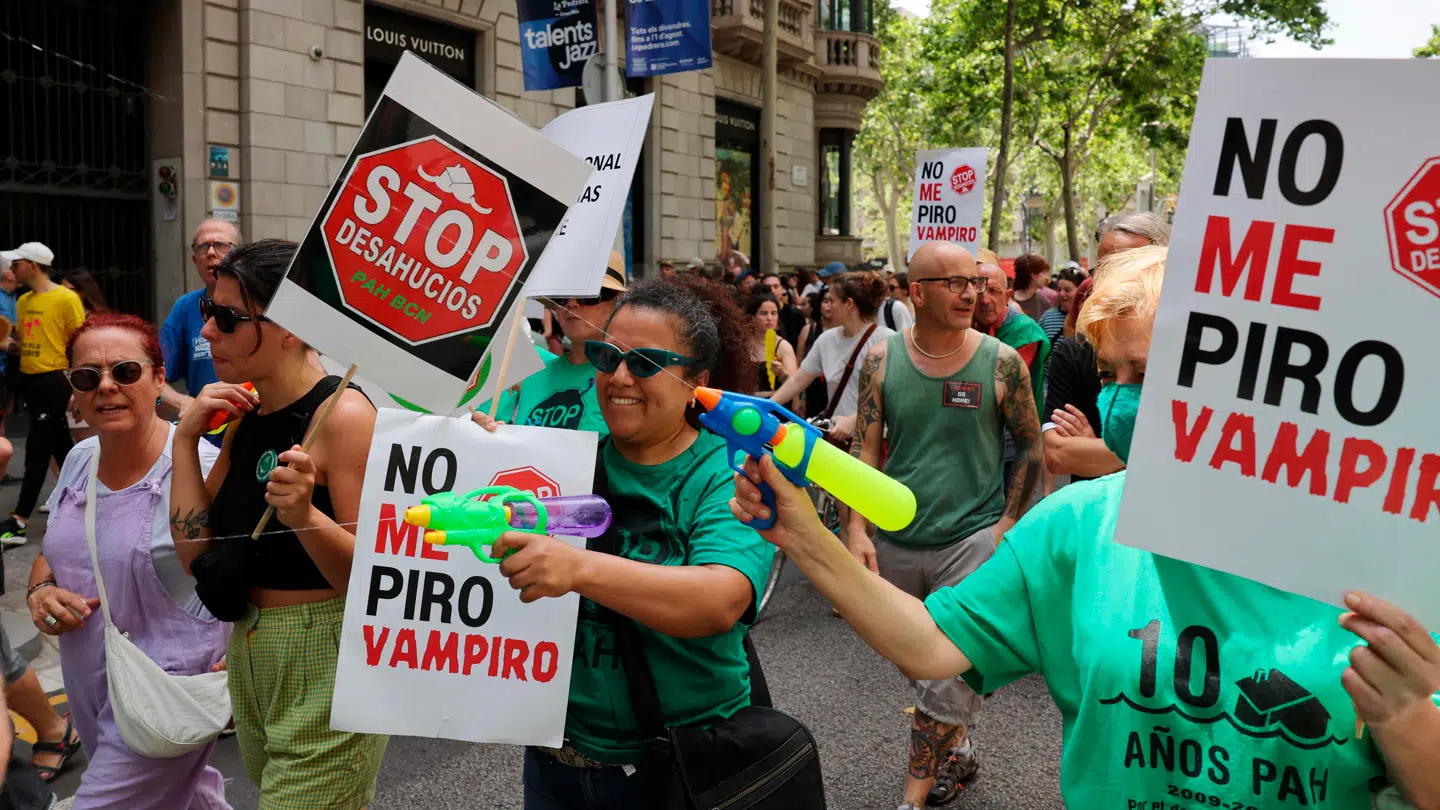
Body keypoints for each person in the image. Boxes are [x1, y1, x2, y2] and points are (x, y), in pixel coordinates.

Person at [732, 244, 1440, 810]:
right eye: (1111, 372)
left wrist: (1407, 717)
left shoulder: (1391, 547)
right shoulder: (1081, 522)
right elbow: (930, 645)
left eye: (1151, 371)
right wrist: (804, 535)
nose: (1124, 398)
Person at [475, 276, 777, 810]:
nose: (618, 377)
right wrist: (477, 457)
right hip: (554, 765)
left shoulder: (731, 473)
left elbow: (719, 601)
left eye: (645, 363)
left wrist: (578, 568)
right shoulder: (564, 464)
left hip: (681, 767)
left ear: (696, 384)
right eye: (605, 355)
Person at [168, 239, 388, 809]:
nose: (208, 331)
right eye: (207, 312)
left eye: (227, 317)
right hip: (250, 647)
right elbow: (197, 554)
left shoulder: (341, 415)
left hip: (327, 650)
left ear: (292, 326)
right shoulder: (248, 415)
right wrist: (189, 438)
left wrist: (305, 514)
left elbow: (373, 578)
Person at [845, 242, 1043, 809]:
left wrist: (1007, 526)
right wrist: (857, 531)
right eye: (953, 282)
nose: (970, 292)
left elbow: (1032, 448)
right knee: (917, 664)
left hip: (973, 539)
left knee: (946, 676)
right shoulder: (881, 359)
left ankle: (911, 799)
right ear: (917, 293)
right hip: (897, 541)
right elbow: (866, 450)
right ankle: (957, 745)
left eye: (975, 282)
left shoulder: (1002, 360)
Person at [28, 313, 229, 808]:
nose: (106, 387)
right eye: (86, 376)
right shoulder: (80, 459)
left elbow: (247, 570)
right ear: (71, 388)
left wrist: (241, 658)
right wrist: (39, 593)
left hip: (169, 689)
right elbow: (53, 549)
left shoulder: (203, 469)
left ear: (160, 378)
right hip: (91, 683)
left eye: (125, 371)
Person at [1044, 213, 1170, 481]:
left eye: (1143, 374)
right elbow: (1058, 455)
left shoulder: (1191, 350)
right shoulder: (1073, 352)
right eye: (1108, 374)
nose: (1112, 281)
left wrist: (1102, 447)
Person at [0, 243, 85, 545]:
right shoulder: (23, 301)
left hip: (55, 380)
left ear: (33, 265)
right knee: (61, 446)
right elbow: (24, 341)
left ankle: (20, 521)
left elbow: (79, 343)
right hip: (30, 381)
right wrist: (7, 343)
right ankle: (89, 501)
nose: (12, 270)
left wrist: (79, 386)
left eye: (17, 263)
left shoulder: (66, 298)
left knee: (37, 448)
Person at [487, 252, 625, 431]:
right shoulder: (530, 373)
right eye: (563, 297)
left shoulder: (628, 377)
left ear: (617, 302)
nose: (572, 304)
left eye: (589, 295)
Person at [766, 271, 891, 445]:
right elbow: (798, 381)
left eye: (831, 300)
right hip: (838, 440)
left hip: (876, 441)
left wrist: (854, 420)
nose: (826, 306)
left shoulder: (886, 340)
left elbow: (892, 398)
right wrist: (767, 406)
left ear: (849, 304)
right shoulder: (827, 340)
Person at [160, 220, 240, 425]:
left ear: (239, 255)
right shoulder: (185, 307)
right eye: (203, 246)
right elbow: (154, 378)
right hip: (205, 438)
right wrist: (182, 402)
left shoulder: (260, 303)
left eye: (221, 245)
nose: (211, 253)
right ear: (195, 259)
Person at [747, 292, 798, 403]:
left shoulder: (783, 347)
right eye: (763, 313)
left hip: (775, 405)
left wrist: (783, 373)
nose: (769, 318)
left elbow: (795, 385)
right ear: (752, 317)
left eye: (773, 313)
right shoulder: (742, 344)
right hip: (745, 404)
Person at [795, 291, 829, 418]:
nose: (827, 306)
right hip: (812, 392)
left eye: (832, 301)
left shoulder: (846, 332)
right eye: (825, 301)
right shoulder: (809, 330)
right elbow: (799, 364)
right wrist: (799, 398)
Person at [1038, 267, 1080, 343]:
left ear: (1080, 291)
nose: (1061, 294)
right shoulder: (1047, 317)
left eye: (1067, 290)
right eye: (1059, 289)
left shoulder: (1087, 319)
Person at [1010, 254, 1054, 322]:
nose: (1047, 278)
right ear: (1034, 275)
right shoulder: (1006, 299)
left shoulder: (1044, 303)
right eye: (1045, 273)